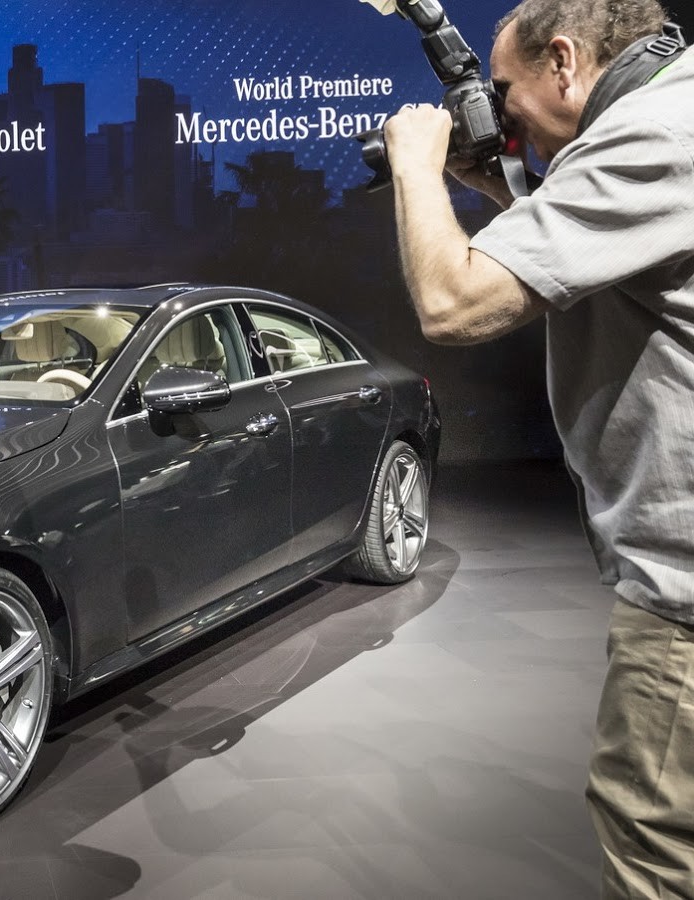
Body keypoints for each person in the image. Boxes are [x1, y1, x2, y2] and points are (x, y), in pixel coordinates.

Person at [382, 1, 694, 893]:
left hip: (686, 591)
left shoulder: (652, 131)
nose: (501, 114)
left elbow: (453, 303)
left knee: (653, 840)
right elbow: (613, 250)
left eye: (505, 91)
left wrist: (416, 167)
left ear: (563, 61)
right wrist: (500, 190)